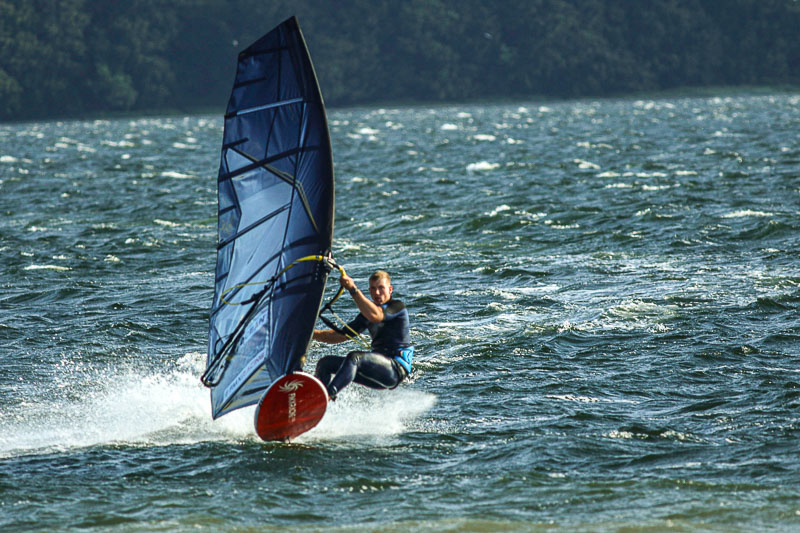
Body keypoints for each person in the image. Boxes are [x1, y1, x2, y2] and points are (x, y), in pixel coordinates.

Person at [312, 270, 413, 400]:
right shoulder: (366, 315)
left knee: (355, 357)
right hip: (376, 369)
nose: (377, 293)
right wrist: (310, 334)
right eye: (373, 289)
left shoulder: (397, 307)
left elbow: (376, 316)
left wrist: (353, 289)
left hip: (394, 369)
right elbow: (339, 336)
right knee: (325, 364)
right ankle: (316, 402)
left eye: (381, 288)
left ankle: (327, 396)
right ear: (369, 290)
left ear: (390, 289)